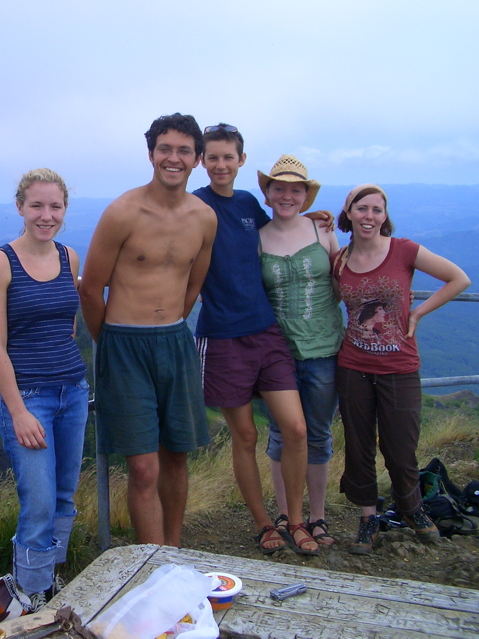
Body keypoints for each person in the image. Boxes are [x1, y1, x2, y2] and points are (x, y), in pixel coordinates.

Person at [79, 113, 217, 547]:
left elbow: (194, 284)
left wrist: (170, 326)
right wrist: (111, 342)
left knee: (177, 455)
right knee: (142, 466)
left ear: (196, 159)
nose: (172, 159)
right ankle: (151, 565)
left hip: (175, 341)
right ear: (151, 153)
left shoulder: (204, 218)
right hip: (123, 343)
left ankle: (173, 554)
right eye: (164, 149)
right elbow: (90, 288)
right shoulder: (123, 212)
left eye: (183, 151)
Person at [193, 125, 321, 556]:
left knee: (297, 428)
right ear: (201, 160)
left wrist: (313, 221)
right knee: (245, 436)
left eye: (228, 157)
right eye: (212, 157)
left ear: (242, 160)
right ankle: (265, 523)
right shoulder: (196, 205)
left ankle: (297, 520)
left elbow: (281, 234)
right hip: (222, 337)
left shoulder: (249, 203)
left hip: (266, 332)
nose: (221, 165)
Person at [333, 183, 470, 555]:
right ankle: (368, 518)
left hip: (400, 366)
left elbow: (459, 278)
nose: (370, 216)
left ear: (385, 215)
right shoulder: (340, 260)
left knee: (400, 446)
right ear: (350, 213)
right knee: (359, 446)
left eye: (377, 210)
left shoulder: (404, 250)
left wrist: (418, 312)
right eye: (362, 209)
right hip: (353, 366)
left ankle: (411, 508)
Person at [0, 168, 90, 609]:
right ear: (20, 207)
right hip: (29, 398)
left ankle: (49, 579)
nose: (47, 215)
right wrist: (18, 410)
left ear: (65, 210)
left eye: (55, 206)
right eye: (37, 206)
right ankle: (30, 591)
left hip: (73, 391)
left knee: (64, 493)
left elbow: (69, 325)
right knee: (39, 500)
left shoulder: (69, 257)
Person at [257, 155, 345, 547]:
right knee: (281, 432)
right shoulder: (257, 237)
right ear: (268, 192)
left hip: (325, 347)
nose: (287, 196)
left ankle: (317, 516)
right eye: (280, 188)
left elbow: (344, 283)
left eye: (296, 189)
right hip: (277, 351)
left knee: (318, 434)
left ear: (306, 195)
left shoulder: (323, 231)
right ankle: (285, 512)